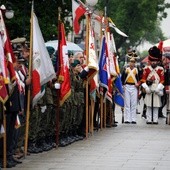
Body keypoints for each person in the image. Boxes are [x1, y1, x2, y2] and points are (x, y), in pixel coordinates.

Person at [141, 46, 164, 124]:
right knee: (148, 105)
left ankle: (155, 119)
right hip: (149, 88)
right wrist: (146, 88)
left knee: (156, 105)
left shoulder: (160, 69)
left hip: (157, 88)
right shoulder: (146, 69)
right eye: (152, 61)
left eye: (155, 61)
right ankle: (149, 119)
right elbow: (143, 80)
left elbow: (162, 80)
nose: (154, 62)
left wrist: (159, 88)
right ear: (150, 61)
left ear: (157, 61)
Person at [121, 57, 141, 124]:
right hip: (127, 86)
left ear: (134, 63)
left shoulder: (137, 70)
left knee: (133, 103)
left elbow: (140, 79)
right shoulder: (126, 70)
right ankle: (127, 119)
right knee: (127, 103)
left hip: (134, 87)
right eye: (131, 62)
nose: (132, 63)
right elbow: (122, 78)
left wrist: (138, 84)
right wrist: (123, 85)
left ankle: (133, 119)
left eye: (133, 62)